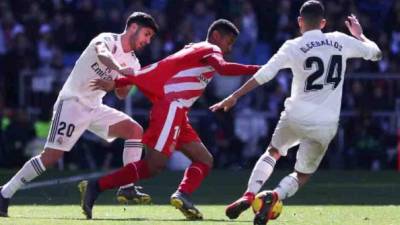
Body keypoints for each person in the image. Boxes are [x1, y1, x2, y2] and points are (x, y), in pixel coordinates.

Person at [210, 1, 382, 225]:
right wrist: (360, 35)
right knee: (302, 173)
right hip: (326, 123)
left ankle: (249, 194)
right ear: (323, 23)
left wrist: (235, 96)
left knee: (273, 152)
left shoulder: (293, 45)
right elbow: (376, 54)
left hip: (295, 116)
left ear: (300, 22)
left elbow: (265, 74)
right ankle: (276, 195)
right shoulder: (340, 40)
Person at [79, 19, 260, 220]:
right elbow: (223, 69)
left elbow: (159, 68)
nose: (229, 47)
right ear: (217, 36)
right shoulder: (210, 48)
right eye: (229, 41)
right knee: (153, 166)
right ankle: (96, 186)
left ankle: (182, 194)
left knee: (204, 160)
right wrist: (259, 69)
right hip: (171, 108)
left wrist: (118, 82)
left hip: (179, 113)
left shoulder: (196, 49)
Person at [0, 12, 158, 217]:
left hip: (95, 107)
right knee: (51, 157)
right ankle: (5, 192)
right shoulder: (107, 39)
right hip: (72, 103)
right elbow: (102, 54)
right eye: (146, 34)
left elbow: (121, 94)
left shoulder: (135, 63)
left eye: (151, 38)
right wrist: (121, 70)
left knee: (134, 130)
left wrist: (126, 81)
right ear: (134, 28)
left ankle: (127, 186)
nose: (147, 41)